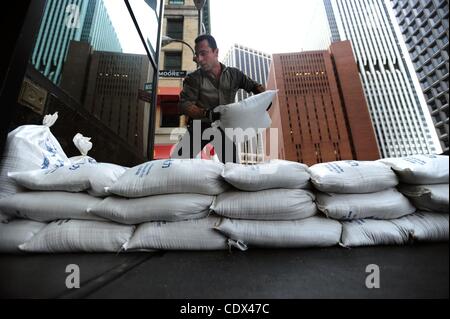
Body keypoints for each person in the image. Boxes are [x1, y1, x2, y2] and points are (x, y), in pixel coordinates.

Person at [177, 34, 266, 163]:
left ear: (216, 52)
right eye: (198, 55)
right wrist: (207, 113)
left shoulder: (234, 74)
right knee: (177, 161)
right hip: (200, 126)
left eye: (204, 53)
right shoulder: (193, 79)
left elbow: (254, 86)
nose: (200, 59)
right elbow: (184, 104)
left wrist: (264, 99)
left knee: (233, 169)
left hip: (224, 128)